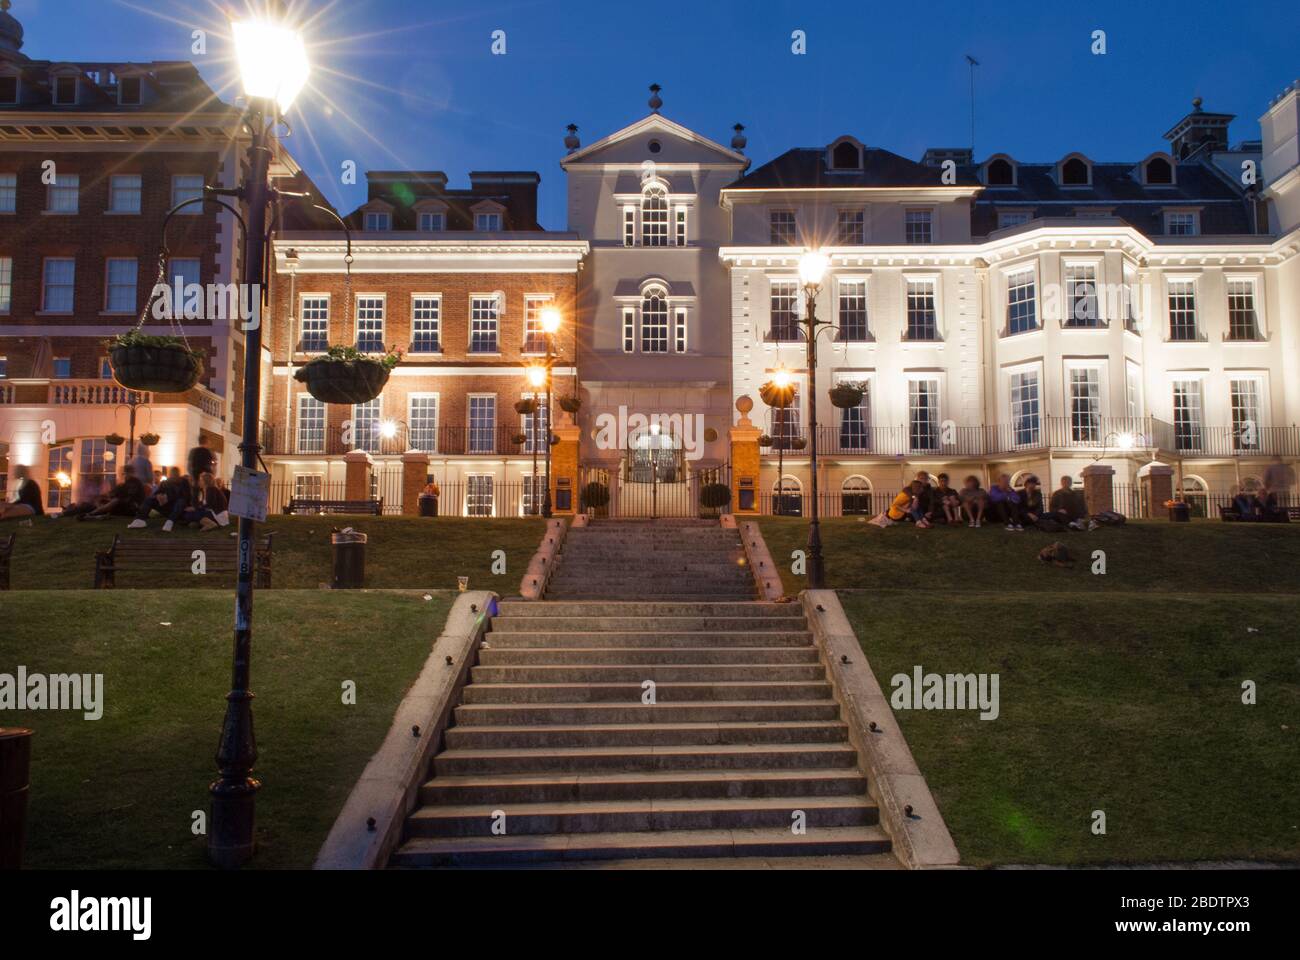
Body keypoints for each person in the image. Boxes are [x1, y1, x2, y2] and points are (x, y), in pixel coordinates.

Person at [128, 471, 192, 532]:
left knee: (181, 501)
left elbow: (185, 496)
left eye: (175, 474)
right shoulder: (165, 482)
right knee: (149, 499)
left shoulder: (184, 482)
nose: (173, 476)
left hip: (178, 508)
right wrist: (158, 496)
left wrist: (168, 498)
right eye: (172, 474)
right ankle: (139, 520)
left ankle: (170, 522)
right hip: (165, 505)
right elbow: (156, 493)